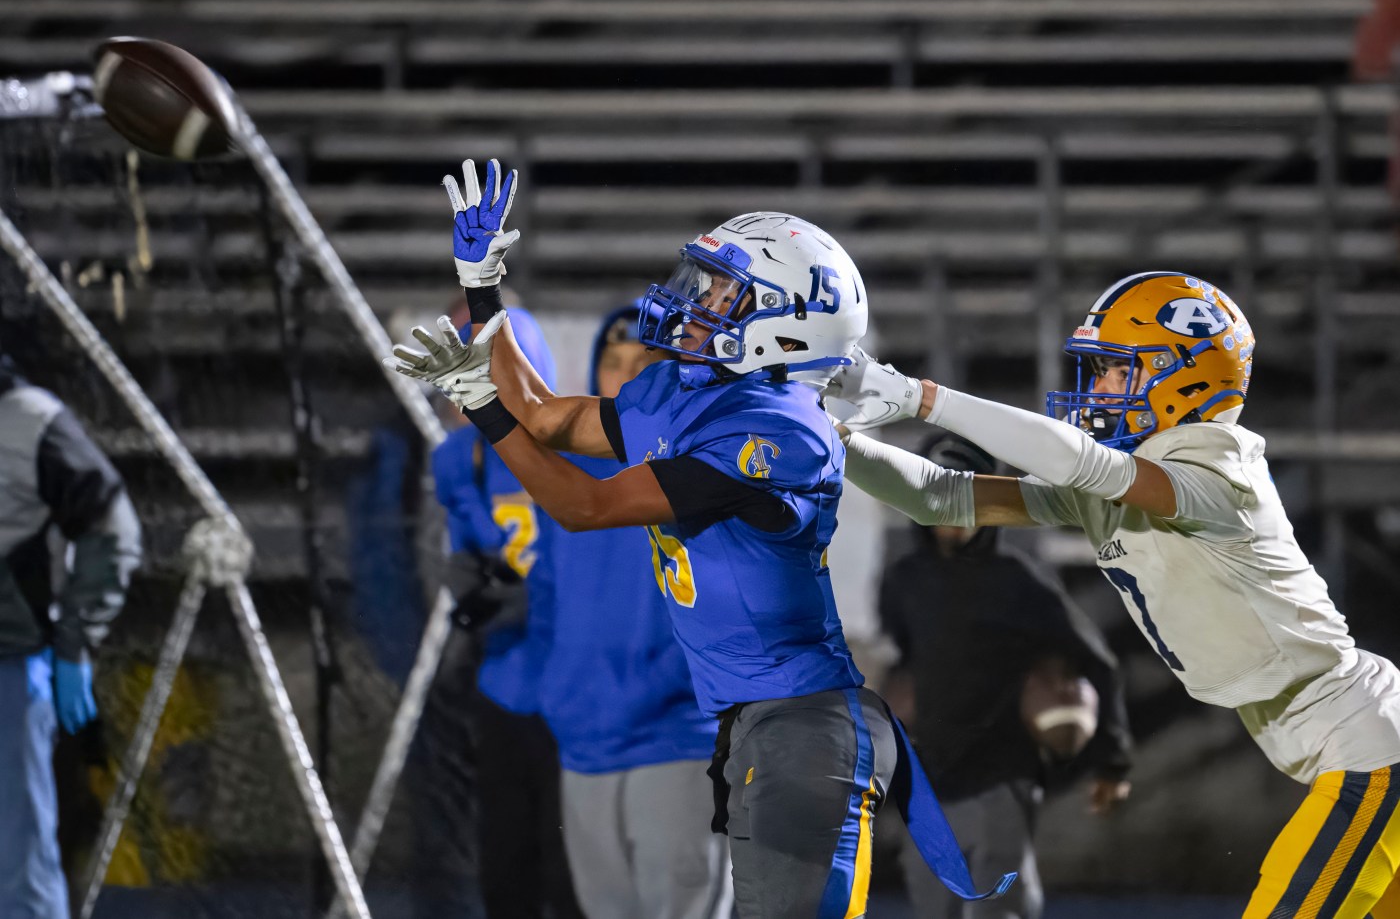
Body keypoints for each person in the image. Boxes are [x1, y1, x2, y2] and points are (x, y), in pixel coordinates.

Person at [386, 159, 1013, 918]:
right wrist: (484, 290)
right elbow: (548, 416)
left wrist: (486, 408)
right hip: (749, 722)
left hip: (804, 731)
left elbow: (582, 505)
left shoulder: (778, 433)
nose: (699, 301)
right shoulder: (689, 396)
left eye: (724, 291)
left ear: (783, 322)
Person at [825, 271, 1400, 919]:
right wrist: (833, 442)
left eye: (1114, 370)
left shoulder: (1219, 466)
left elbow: (1078, 461)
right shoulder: (1127, 479)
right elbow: (942, 496)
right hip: (1346, 746)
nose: (1095, 388)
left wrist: (921, 397)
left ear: (1184, 376)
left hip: (1372, 753)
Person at [880, 434, 1132, 919]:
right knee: (932, 903)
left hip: (1004, 771)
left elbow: (1097, 661)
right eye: (936, 500)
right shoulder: (905, 580)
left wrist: (1112, 761)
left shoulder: (1018, 580)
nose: (950, 518)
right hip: (930, 777)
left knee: (1000, 903)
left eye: (965, 501)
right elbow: (903, 662)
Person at [539, 300, 730, 919]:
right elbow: (548, 602)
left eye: (642, 363)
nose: (622, 379)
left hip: (675, 743)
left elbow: (728, 618)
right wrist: (560, 693)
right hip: (583, 745)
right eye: (611, 363)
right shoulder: (567, 480)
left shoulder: (707, 469)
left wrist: (651, 691)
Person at [429, 306, 582, 919]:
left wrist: (538, 600)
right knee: (507, 869)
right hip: (504, 685)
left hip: (577, 691)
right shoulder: (459, 458)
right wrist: (466, 582)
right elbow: (460, 553)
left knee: (575, 877)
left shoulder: (579, 447)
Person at [0, 353, 141, 919]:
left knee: (19, 862)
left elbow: (113, 526)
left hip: (8, 667)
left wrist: (75, 642)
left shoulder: (28, 419)